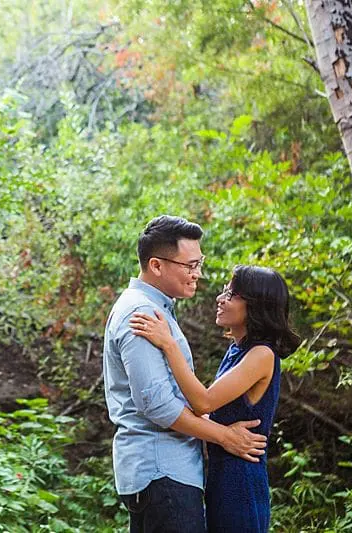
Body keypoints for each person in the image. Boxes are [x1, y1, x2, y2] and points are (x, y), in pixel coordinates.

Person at [103, 215, 268, 533]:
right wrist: (225, 437)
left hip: (167, 472)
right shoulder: (142, 313)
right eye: (190, 266)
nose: (198, 274)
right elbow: (158, 405)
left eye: (199, 263)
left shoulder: (156, 309)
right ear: (156, 265)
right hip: (162, 471)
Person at [130, 265, 300, 532]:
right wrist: (221, 432)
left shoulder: (262, 354)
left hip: (241, 480)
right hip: (222, 475)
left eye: (231, 295)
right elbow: (213, 411)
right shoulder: (237, 350)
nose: (220, 299)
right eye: (224, 291)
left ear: (256, 305)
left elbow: (203, 402)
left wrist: (168, 344)